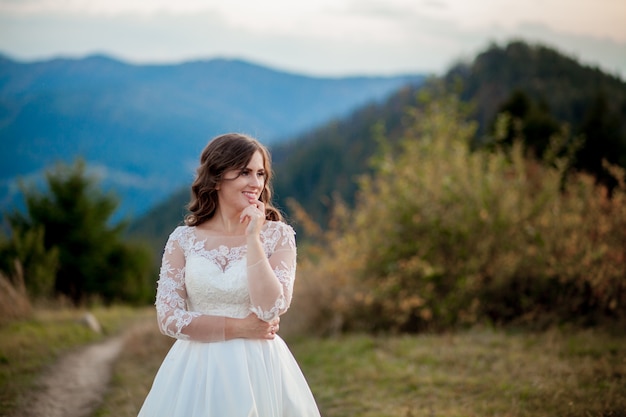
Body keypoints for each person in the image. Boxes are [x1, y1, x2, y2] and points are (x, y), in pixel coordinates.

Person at [137, 133, 321, 416]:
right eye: (245, 172)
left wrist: (253, 239)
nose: (255, 183)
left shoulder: (279, 236)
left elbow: (271, 307)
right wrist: (239, 328)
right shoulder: (182, 240)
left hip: (259, 367)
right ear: (217, 177)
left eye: (260, 173)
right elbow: (169, 318)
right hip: (195, 368)